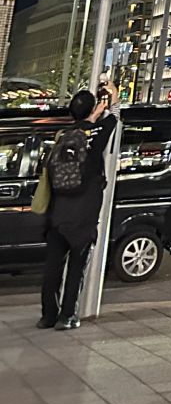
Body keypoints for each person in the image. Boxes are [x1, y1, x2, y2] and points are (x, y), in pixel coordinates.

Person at [39, 84, 118, 331]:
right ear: (93, 109)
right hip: (83, 214)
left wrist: (89, 116)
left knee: (52, 267)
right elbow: (113, 120)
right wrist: (111, 101)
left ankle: (47, 316)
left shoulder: (62, 136)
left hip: (57, 213)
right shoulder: (94, 135)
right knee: (76, 267)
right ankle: (67, 316)